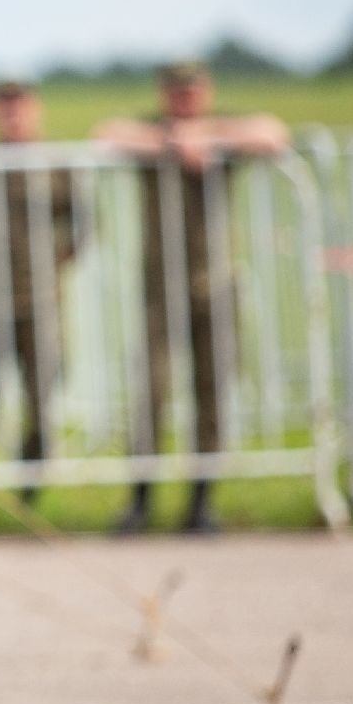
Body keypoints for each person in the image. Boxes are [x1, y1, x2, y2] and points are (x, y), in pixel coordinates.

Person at [93, 62, 290, 534]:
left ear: (207, 90)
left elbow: (273, 133)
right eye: (176, 91)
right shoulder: (151, 133)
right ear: (163, 93)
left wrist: (212, 138)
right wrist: (173, 143)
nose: (185, 98)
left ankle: (201, 503)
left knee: (213, 393)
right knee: (152, 393)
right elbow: (104, 134)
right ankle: (139, 502)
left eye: (193, 89)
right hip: (162, 288)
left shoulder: (224, 131)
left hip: (215, 286)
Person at [0, 82, 84, 502]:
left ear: (34, 108)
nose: (13, 114)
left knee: (41, 388)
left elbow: (81, 226)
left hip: (42, 297)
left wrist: (52, 264)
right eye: (4, 107)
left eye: (20, 105)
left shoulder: (57, 162)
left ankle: (32, 481)